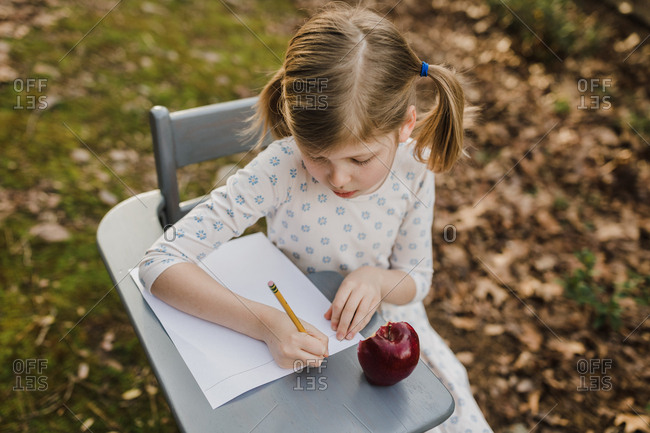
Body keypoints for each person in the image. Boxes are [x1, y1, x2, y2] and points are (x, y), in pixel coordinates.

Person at [139, 3, 492, 431]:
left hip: (381, 333)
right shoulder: (282, 168)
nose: (338, 178)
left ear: (405, 125)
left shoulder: (415, 166)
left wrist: (379, 281)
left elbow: (418, 277)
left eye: (361, 158)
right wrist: (265, 323)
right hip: (292, 346)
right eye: (318, 156)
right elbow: (159, 264)